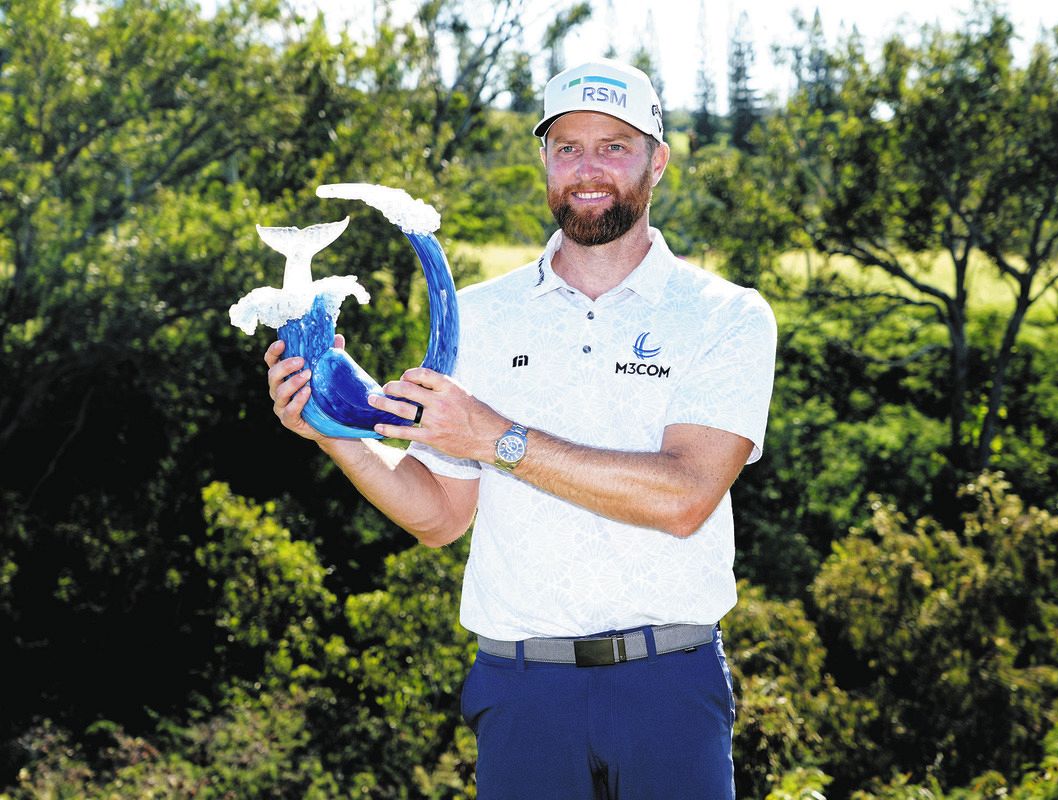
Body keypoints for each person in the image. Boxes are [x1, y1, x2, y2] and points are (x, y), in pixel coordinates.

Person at [264, 58, 776, 799]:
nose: (588, 169)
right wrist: (332, 431)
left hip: (670, 684)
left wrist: (497, 438)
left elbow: (684, 497)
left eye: (614, 147)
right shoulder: (476, 315)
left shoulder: (726, 315)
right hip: (521, 688)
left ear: (658, 161)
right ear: (545, 160)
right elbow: (440, 516)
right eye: (568, 148)